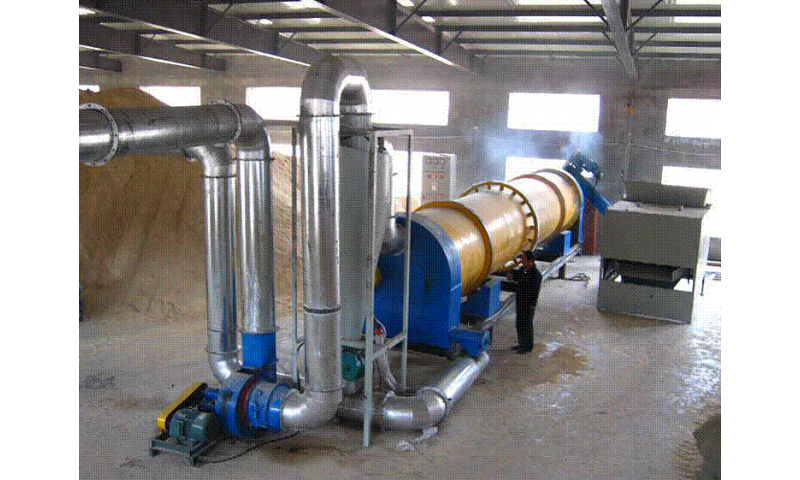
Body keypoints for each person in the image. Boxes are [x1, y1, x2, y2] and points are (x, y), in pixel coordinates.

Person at [505, 250, 542, 354]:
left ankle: (527, 347)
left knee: (527, 325)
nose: (521, 260)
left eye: (523, 259)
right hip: (521, 301)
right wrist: (512, 272)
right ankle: (522, 344)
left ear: (530, 261)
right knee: (520, 324)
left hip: (528, 304)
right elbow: (519, 275)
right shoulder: (524, 269)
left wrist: (514, 276)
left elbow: (523, 279)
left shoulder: (536, 275)